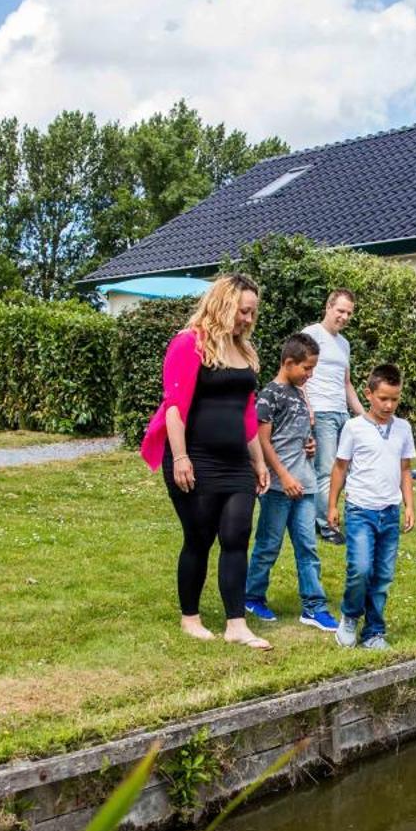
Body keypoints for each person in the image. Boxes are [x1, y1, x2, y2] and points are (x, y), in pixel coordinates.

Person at [139, 273, 273, 649]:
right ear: (224, 304)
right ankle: (191, 618)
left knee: (236, 536)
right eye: (244, 311)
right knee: (199, 538)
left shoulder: (244, 351)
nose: (248, 319)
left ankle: (236, 624)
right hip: (195, 458)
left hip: (236, 463)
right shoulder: (188, 343)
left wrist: (259, 462)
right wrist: (180, 457)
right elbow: (174, 408)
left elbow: (248, 415)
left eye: (252, 313)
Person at [245, 332, 340, 631]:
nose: (310, 375)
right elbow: (262, 441)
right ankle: (252, 596)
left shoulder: (300, 394)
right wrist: (283, 476)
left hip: (305, 485)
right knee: (268, 545)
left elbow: (295, 435)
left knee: (307, 547)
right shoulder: (270, 395)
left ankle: (313, 607)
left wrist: (309, 445)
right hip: (277, 487)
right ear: (288, 363)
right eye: (307, 368)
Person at [326, 363, 415, 651]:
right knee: (361, 568)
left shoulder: (403, 429)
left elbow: (405, 470)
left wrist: (409, 506)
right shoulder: (354, 428)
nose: (389, 405)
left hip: (389, 513)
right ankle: (350, 618)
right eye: (383, 398)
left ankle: (374, 631)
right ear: (368, 394)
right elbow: (340, 468)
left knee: (382, 576)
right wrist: (332, 506)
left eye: (395, 399)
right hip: (360, 511)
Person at [302, 290, 365, 543]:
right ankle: (326, 525)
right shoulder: (312, 334)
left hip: (341, 413)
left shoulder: (344, 344)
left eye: (349, 313)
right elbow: (299, 374)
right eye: (340, 310)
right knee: (326, 469)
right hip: (321, 411)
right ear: (328, 307)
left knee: (345, 469)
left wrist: (364, 415)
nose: (344, 316)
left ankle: (334, 516)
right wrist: (307, 408)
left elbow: (347, 384)